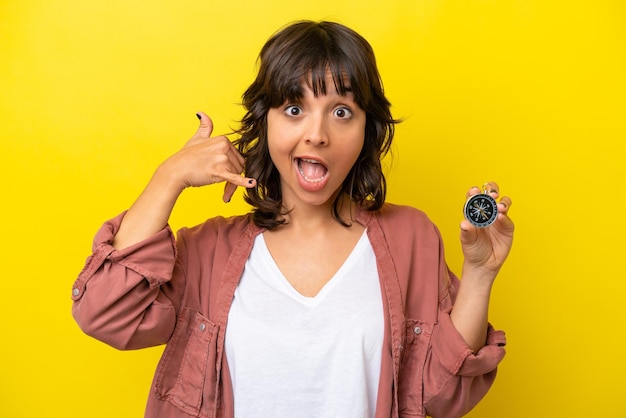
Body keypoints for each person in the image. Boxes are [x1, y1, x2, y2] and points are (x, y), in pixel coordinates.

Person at [71, 20, 514, 418]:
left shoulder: (411, 239)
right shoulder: (206, 253)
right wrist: (168, 177)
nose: (317, 134)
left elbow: (442, 396)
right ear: (266, 123)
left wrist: (479, 273)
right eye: (294, 108)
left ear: (366, 131)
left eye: (342, 112)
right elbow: (103, 313)